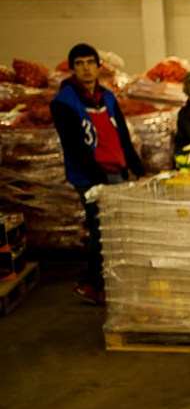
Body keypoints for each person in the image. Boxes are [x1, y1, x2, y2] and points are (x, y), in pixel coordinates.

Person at [50, 43, 146, 305]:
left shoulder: (107, 97)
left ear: (98, 66)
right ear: (72, 68)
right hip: (89, 177)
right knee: (100, 230)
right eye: (80, 64)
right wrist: (99, 181)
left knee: (112, 230)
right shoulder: (63, 102)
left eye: (90, 62)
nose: (86, 68)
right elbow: (75, 146)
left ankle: (103, 282)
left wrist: (138, 170)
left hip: (115, 170)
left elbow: (122, 136)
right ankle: (92, 284)